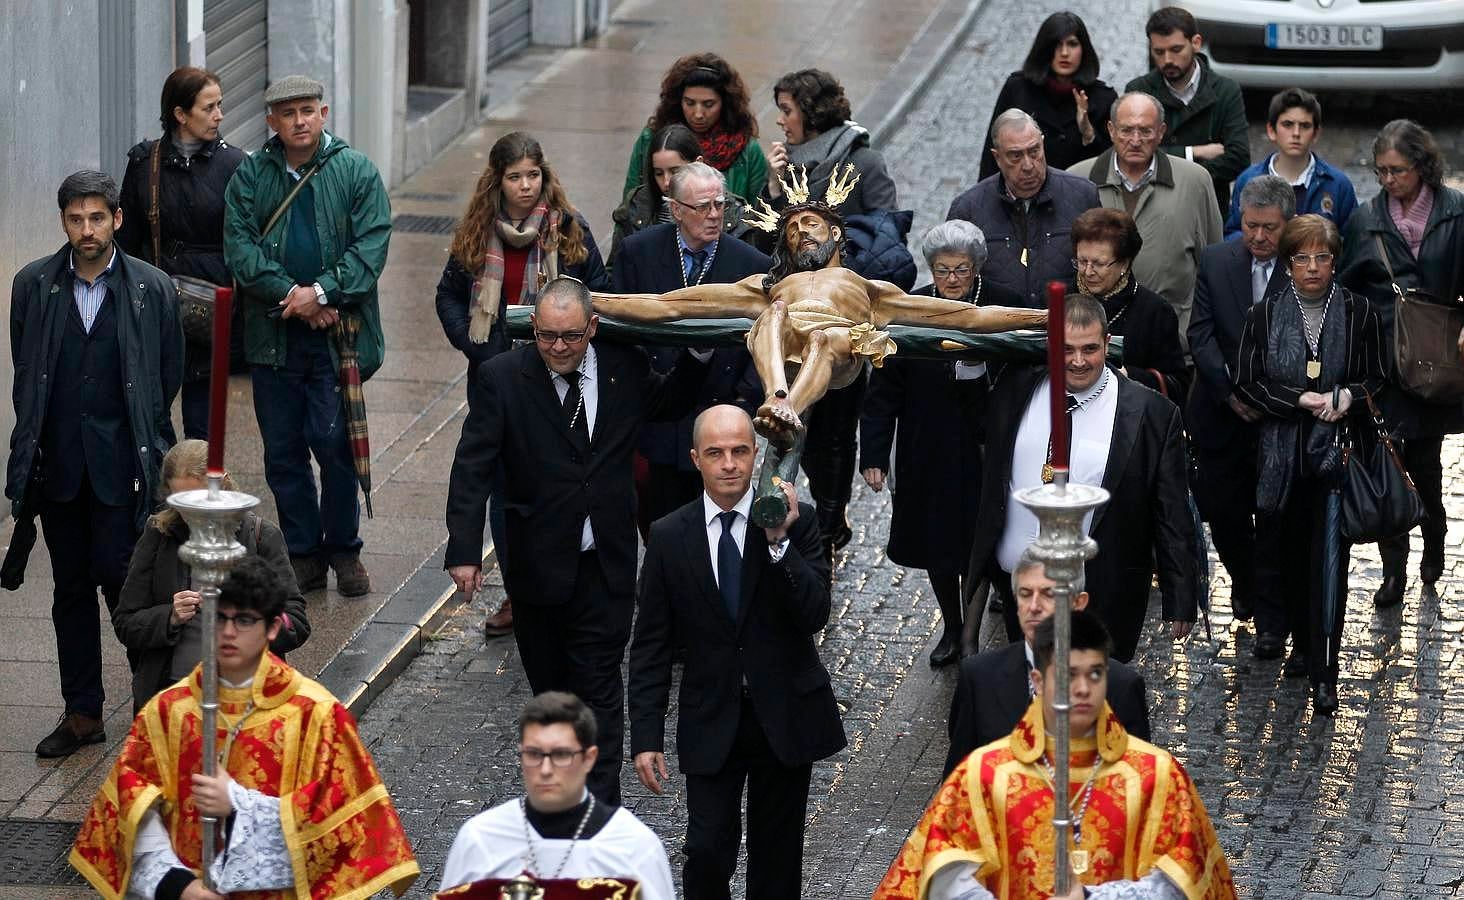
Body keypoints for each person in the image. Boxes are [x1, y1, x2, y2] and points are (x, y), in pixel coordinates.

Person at [444, 277, 712, 806]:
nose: (560, 348)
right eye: (547, 337)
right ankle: (559, 798)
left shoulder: (623, 368)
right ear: (533, 330)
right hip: (538, 565)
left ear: (591, 327)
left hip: (605, 566)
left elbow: (670, 400)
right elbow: (473, 463)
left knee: (601, 690)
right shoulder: (503, 379)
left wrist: (702, 347)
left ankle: (601, 810)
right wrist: (463, 550)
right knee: (553, 695)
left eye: (570, 336)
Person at [590, 172, 1048, 452]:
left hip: (839, 349)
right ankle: (779, 401)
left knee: (825, 339)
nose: (801, 234)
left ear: (835, 233)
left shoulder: (867, 288)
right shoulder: (767, 287)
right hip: (783, 348)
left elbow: (966, 317)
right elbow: (666, 305)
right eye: (790, 230)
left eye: (810, 224)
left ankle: (786, 406)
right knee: (771, 314)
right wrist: (585, 302)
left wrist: (1044, 319)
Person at [70, 555, 419, 899]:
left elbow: (339, 833)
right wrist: (179, 886)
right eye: (219, 618)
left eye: (244, 620)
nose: (228, 632)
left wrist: (238, 804)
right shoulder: (168, 711)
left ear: (272, 627)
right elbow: (133, 811)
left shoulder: (318, 715)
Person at [629, 405, 845, 900]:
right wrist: (646, 736)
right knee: (705, 850)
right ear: (696, 460)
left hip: (784, 716)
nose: (729, 464)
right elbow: (651, 647)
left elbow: (813, 613)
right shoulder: (669, 537)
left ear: (756, 456)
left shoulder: (798, 522)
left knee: (776, 858)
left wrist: (778, 542)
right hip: (711, 717)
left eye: (740, 451)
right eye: (716, 453)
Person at [874, 610, 1238, 900]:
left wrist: (1094, 897)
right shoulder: (984, 774)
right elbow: (944, 877)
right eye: (1068, 674)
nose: (1082, 689)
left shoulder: (1156, 776)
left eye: (1094, 674)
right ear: (1037, 681)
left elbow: (1183, 881)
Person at [8, 170, 182, 758]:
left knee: (125, 587)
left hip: (123, 471)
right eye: (76, 219)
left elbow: (165, 378)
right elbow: (29, 376)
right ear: (63, 222)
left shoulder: (150, 289)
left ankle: (151, 708)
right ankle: (82, 712)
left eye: (97, 218)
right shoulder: (33, 286)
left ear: (118, 219)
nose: (87, 230)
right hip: (58, 472)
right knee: (69, 591)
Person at [223, 74, 392, 598]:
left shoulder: (356, 171)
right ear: (271, 121)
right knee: (283, 450)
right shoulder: (250, 176)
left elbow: (370, 247)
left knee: (334, 443)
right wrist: (295, 299)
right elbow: (240, 250)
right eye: (287, 112)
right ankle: (302, 551)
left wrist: (320, 293)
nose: (298, 120)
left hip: (334, 340)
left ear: (324, 114)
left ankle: (344, 548)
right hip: (273, 338)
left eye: (307, 110)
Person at [435, 131, 609, 637]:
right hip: (498, 380)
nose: (526, 185)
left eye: (533, 175)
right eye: (515, 177)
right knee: (504, 486)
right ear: (499, 181)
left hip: (559, 371)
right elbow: (447, 296)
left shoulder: (570, 230)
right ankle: (518, 588)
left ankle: (567, 577)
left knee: (557, 479)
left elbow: (601, 291)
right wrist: (474, 343)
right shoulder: (476, 232)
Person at [964, 295, 1196, 663]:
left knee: (1092, 706)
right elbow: (978, 428)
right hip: (1020, 590)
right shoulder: (1017, 387)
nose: (1077, 361)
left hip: (1103, 594)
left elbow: (1170, 510)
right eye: (1066, 349)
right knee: (1029, 699)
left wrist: (1180, 594)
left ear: (1107, 344)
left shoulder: (1152, 414)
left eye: (1089, 349)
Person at [1236, 215, 1385, 716]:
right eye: (1302, 257)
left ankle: (1327, 670)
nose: (1313, 267)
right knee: (1290, 559)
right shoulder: (1264, 315)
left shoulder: (1359, 312)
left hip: (1336, 459)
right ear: (1288, 263)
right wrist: (1295, 398)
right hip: (1282, 461)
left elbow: (1378, 379)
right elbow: (1247, 382)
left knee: (1331, 566)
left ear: (1335, 261)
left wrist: (1348, 396)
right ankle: (1302, 643)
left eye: (1322, 257)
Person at [859, 221, 1023, 667]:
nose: (952, 279)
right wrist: (873, 454)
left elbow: (1022, 374)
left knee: (985, 543)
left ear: (977, 268)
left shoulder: (1005, 304)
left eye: (962, 270)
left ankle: (985, 634)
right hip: (926, 447)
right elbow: (883, 390)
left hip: (985, 448)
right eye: (943, 269)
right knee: (938, 546)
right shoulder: (910, 311)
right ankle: (953, 627)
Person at [763, 68, 900, 556]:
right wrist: (777, 191)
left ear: (811, 112)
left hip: (844, 319)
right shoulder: (787, 169)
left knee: (835, 430)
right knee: (796, 422)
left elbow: (888, 236)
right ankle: (787, 502)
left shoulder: (864, 161)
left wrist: (841, 280)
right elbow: (768, 242)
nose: (780, 121)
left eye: (786, 110)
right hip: (793, 319)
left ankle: (828, 513)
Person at [1341, 119, 1464, 608]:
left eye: (1397, 171)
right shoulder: (1366, 219)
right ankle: (1394, 570)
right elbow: (1348, 289)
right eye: (1381, 171)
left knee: (1426, 465)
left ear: (1421, 167)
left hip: (1434, 359)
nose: (1388, 180)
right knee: (1387, 464)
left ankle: (1433, 543)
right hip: (1383, 363)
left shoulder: (1456, 212)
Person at [614, 162, 770, 535]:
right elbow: (622, 332)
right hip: (660, 421)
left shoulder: (751, 264)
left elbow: (764, 338)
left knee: (722, 531)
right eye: (703, 207)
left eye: (719, 204)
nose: (714, 214)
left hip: (723, 418)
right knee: (661, 530)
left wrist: (745, 402)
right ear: (676, 210)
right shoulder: (639, 252)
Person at [112, 439, 310, 713]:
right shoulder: (158, 536)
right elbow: (126, 621)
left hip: (246, 704)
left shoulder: (262, 538)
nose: (193, 513)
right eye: (182, 502)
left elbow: (296, 623)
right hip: (173, 701)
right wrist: (169, 617)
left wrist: (250, 617)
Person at [438, 692, 676, 899]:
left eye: (561, 755)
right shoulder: (480, 840)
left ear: (589, 758)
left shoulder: (634, 847)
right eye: (534, 754)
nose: (545, 769)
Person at [117, 66, 246, 440]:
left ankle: (198, 493)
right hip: (159, 303)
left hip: (214, 306)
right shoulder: (146, 164)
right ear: (180, 114)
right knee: (151, 413)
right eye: (209, 108)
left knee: (203, 423)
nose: (219, 115)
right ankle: (157, 490)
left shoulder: (234, 165)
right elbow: (127, 240)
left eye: (220, 105)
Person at [1189, 176, 1292, 636]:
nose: (1259, 237)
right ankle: (1245, 582)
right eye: (1251, 226)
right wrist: (1232, 393)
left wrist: (1267, 399)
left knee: (1274, 520)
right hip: (1220, 414)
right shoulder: (1215, 261)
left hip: (1279, 422)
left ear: (1287, 224)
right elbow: (1201, 335)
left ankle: (1271, 613)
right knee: (1226, 515)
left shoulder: (1304, 267)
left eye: (1269, 228)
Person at [945, 548, 1150, 775]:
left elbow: (1138, 787)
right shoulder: (979, 678)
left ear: (1078, 604)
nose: (1034, 606)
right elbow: (957, 787)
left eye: (1048, 594)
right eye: (1025, 593)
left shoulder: (1120, 688)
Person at [1071, 92, 1223, 350]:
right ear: (1110, 130)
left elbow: (1212, 264)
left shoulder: (1195, 181)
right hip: (1092, 345)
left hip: (1173, 343)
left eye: (1146, 131)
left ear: (1161, 131)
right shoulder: (1078, 180)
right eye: (1126, 130)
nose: (1135, 140)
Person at [948, 109, 1099, 308]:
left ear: (1043, 145)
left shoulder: (1083, 196)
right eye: (1015, 156)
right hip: (998, 333)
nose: (1028, 165)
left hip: (1068, 328)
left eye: (1034, 151)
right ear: (997, 157)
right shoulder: (968, 210)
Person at [1124, 5, 1249, 216]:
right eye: (1158, 52)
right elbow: (1131, 156)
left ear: (1196, 43)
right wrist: (1194, 152)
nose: (1167, 60)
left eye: (1176, 50)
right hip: (1151, 208)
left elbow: (1238, 158)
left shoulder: (1226, 90)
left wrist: (1162, 163)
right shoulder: (1139, 90)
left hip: (1207, 207)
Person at [978, 12, 1119, 181]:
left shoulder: (1103, 98)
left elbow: (1112, 166)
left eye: (1072, 44)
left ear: (1084, 49)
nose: (1064, 53)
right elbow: (992, 153)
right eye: (1057, 45)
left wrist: (1088, 133)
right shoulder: (1018, 89)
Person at [1069, 207, 1188, 402]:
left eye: (1098, 264)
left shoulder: (1155, 311)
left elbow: (1177, 385)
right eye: (1082, 261)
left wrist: (1128, 376)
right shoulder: (1055, 302)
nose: (1088, 272)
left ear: (1124, 264)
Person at [622, 53, 767, 203]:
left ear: (725, 104)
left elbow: (760, 211)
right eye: (690, 103)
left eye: (709, 104)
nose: (698, 114)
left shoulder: (748, 151)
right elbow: (630, 206)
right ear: (678, 101)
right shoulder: (651, 139)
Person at [610, 123, 754, 271]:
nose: (666, 182)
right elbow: (615, 271)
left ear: (698, 164)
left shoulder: (734, 213)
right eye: (659, 173)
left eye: (675, 171)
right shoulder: (637, 204)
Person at [1224, 88, 1357, 240]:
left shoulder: (1338, 184)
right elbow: (1233, 233)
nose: (1296, 133)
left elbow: (1354, 242)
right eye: (1287, 124)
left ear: (1316, 134)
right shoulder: (1248, 180)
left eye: (1305, 126)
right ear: (1271, 130)